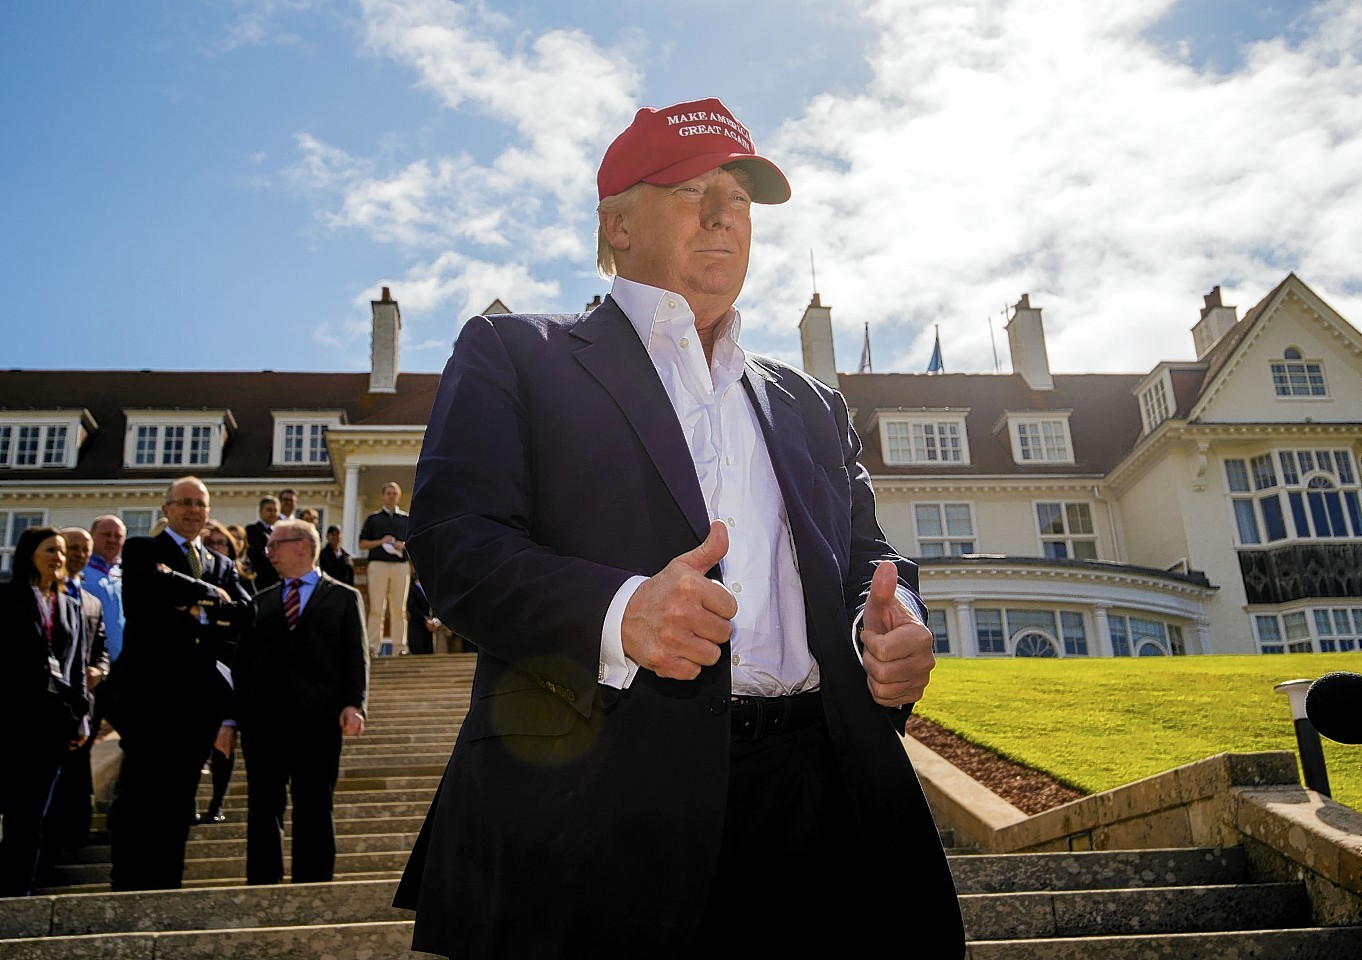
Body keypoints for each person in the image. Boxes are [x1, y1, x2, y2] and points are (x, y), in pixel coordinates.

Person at [393, 97, 965, 958]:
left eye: (738, 198)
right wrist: (620, 611)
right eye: (691, 190)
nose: (720, 216)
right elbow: (454, 544)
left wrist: (885, 624)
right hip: (599, 804)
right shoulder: (515, 354)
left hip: (820, 798)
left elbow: (865, 558)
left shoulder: (810, 403)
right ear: (617, 225)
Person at [104, 476, 253, 890]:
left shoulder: (222, 563)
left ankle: (167, 882)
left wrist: (192, 603)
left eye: (199, 504)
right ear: (167, 509)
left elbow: (246, 612)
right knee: (140, 792)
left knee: (180, 795)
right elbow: (145, 596)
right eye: (183, 503)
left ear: (208, 513)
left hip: (199, 700)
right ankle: (127, 880)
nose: (192, 511)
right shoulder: (143, 549)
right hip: (148, 697)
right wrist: (210, 595)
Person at [233, 519, 368, 884]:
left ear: (303, 547)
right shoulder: (260, 601)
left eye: (275, 545)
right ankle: (263, 882)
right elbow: (242, 666)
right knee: (263, 806)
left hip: (319, 719)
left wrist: (354, 703)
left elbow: (354, 656)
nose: (268, 553)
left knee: (315, 804)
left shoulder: (342, 597)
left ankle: (314, 883)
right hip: (264, 722)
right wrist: (232, 720)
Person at [0, 528, 90, 896]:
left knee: (31, 815)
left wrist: (81, 716)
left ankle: (16, 891)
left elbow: (77, 666)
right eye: (50, 550)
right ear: (29, 553)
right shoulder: (7, 597)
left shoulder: (70, 604)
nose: (58, 557)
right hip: (10, 719)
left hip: (52, 725)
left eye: (63, 552)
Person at [42, 528, 109, 855]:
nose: (80, 554)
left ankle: (72, 841)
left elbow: (101, 647)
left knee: (77, 775)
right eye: (73, 548)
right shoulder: (41, 595)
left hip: (84, 703)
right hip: (47, 702)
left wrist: (100, 668)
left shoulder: (91, 600)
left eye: (85, 549)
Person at [358, 482, 410, 656]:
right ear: (383, 496)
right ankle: (373, 647)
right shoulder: (373, 519)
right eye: (388, 493)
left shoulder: (405, 519)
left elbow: (413, 544)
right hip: (378, 565)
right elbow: (362, 543)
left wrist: (401, 546)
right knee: (376, 608)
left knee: (399, 608)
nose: (391, 496)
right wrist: (381, 541)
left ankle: (399, 647)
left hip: (400, 566)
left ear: (399, 496)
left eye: (394, 493)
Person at [83, 515, 126, 664]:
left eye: (118, 536)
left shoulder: (128, 573)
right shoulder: (80, 570)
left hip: (124, 664)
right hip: (91, 661)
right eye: (106, 535)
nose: (112, 540)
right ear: (91, 536)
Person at [244, 497, 281, 591]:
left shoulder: (280, 533)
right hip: (261, 582)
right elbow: (258, 556)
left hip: (278, 582)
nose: (273, 513)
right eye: (269, 510)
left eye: (275, 510)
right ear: (260, 512)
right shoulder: (252, 530)